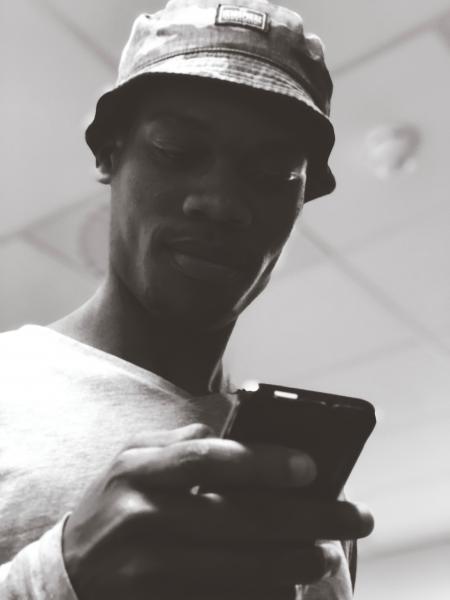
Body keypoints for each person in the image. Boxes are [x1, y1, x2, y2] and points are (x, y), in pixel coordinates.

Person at [0, 0, 374, 598]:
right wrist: (57, 575)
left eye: (275, 172)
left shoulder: (308, 507)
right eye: (177, 150)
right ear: (109, 152)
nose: (221, 202)